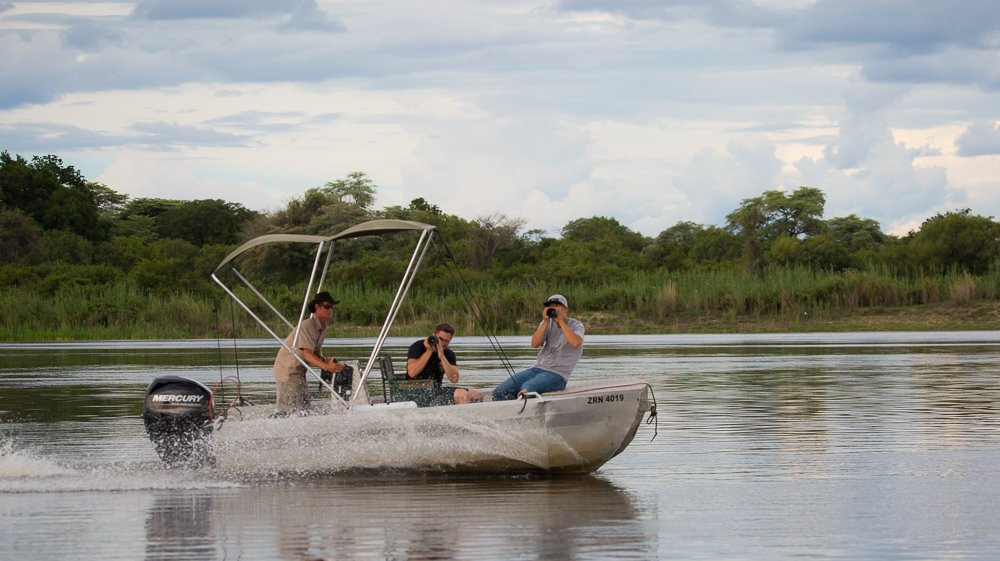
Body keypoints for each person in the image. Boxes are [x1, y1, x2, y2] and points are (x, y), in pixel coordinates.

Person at [492, 294, 584, 401]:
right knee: (499, 392)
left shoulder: (576, 325)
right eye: (551, 306)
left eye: (557, 306)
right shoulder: (546, 323)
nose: (554, 309)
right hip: (537, 369)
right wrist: (545, 322)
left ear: (565, 309)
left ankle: (524, 409)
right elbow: (534, 344)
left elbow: (576, 343)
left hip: (558, 375)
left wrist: (561, 322)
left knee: (528, 389)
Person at [272, 291, 345, 413]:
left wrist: (326, 360)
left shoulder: (321, 328)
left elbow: (315, 352)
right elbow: (307, 354)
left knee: (304, 407)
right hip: (288, 371)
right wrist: (327, 367)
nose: (330, 310)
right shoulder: (307, 326)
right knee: (290, 410)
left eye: (332, 307)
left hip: (300, 371)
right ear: (317, 307)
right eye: (327, 306)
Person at [406, 322, 483, 405]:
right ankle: (462, 416)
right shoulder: (417, 347)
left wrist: (442, 357)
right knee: (462, 395)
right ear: (434, 335)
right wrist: (429, 351)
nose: (442, 343)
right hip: (415, 391)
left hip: (435, 390)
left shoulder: (448, 354)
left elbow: (454, 379)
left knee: (477, 395)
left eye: (446, 341)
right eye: (440, 339)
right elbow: (412, 373)